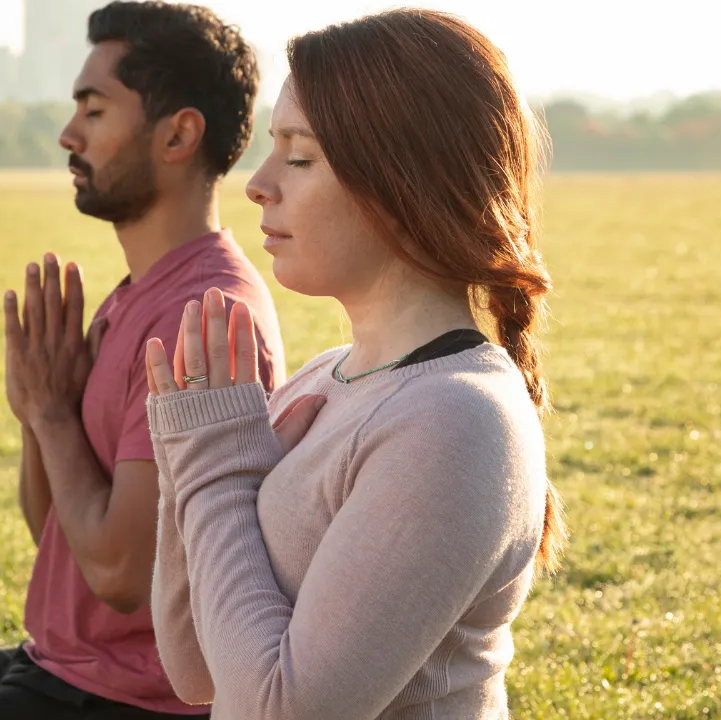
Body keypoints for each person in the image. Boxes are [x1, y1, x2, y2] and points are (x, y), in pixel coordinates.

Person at [0, 3, 283, 718]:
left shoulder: (196, 313)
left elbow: (119, 570)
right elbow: (57, 534)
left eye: (94, 110)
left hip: (135, 698)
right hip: (56, 664)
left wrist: (53, 414)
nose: (68, 135)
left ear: (178, 133)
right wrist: (35, 411)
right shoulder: (136, 296)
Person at [140, 9, 566, 719]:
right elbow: (192, 668)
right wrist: (188, 462)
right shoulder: (327, 378)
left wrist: (213, 460)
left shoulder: (456, 421)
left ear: (401, 181)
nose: (259, 183)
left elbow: (279, 710)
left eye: (299, 156)